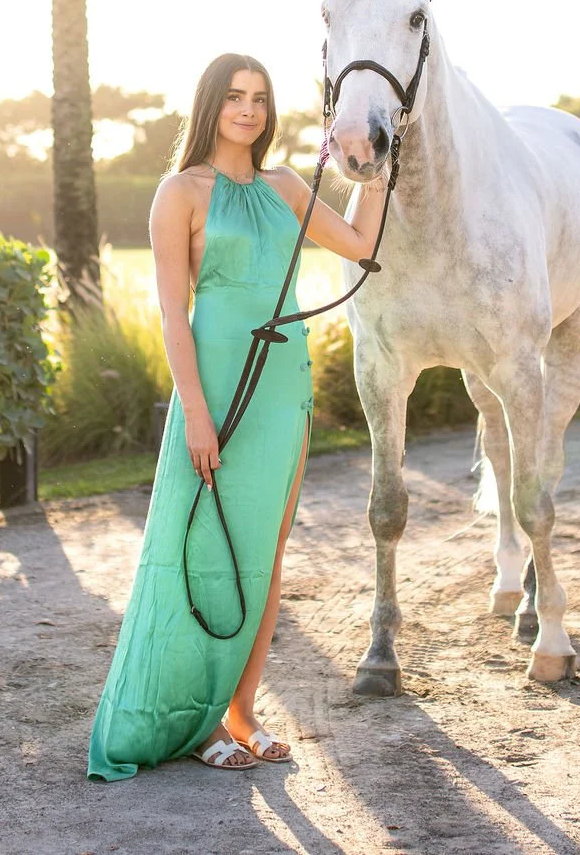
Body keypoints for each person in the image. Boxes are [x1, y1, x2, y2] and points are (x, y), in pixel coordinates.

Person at [87, 53, 389, 777]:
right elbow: (173, 313)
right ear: (210, 106)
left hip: (284, 385)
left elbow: (358, 244)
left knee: (264, 554)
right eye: (234, 97)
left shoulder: (286, 186)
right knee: (203, 550)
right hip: (217, 386)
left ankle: (242, 712)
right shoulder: (180, 192)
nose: (248, 109)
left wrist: (376, 167)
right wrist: (195, 413)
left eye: (258, 97)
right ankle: (196, 720)